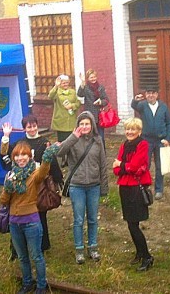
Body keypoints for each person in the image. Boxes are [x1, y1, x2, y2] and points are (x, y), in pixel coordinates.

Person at [0, 141, 60, 294]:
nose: (20, 158)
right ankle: (27, 283)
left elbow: (44, 170)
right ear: (14, 158)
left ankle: (41, 285)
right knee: (22, 257)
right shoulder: (11, 175)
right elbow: (4, 201)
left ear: (29, 156)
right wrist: (8, 188)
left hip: (31, 222)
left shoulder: (34, 175)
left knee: (36, 256)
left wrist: (47, 157)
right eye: (17, 155)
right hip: (14, 223)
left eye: (24, 155)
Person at [0, 115, 63, 254]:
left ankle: (42, 246)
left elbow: (51, 162)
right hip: (21, 186)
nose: (32, 129)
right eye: (29, 127)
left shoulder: (45, 142)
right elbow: (5, 155)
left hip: (39, 185)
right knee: (19, 218)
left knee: (40, 216)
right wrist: (6, 136)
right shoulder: (20, 143)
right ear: (24, 128)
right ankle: (17, 248)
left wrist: (58, 179)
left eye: (34, 126)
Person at [57, 111, 108, 264]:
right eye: (82, 124)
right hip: (77, 186)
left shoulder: (98, 141)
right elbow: (60, 152)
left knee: (92, 219)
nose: (84, 126)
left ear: (92, 125)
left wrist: (104, 187)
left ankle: (93, 247)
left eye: (87, 124)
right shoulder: (73, 140)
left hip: (94, 186)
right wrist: (73, 137)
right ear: (78, 125)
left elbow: (103, 165)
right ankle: (79, 249)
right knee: (79, 220)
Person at [112, 117, 154, 271]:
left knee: (133, 224)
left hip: (137, 187)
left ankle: (147, 257)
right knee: (130, 223)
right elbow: (116, 169)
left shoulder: (143, 144)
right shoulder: (124, 145)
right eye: (127, 129)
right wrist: (125, 166)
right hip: (124, 187)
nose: (129, 132)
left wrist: (122, 165)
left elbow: (135, 166)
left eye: (133, 129)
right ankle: (140, 252)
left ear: (139, 131)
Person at [130, 87, 170, 200]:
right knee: (145, 165)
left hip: (160, 141)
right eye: (148, 93)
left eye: (153, 93)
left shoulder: (163, 106)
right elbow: (134, 106)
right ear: (146, 95)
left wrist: (168, 138)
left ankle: (159, 190)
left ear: (157, 95)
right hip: (146, 140)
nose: (151, 95)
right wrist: (135, 100)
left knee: (160, 166)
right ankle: (144, 187)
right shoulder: (142, 105)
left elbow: (169, 123)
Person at [77, 69, 109, 144]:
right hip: (89, 114)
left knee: (100, 136)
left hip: (99, 115)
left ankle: (101, 150)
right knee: (90, 136)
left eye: (94, 77)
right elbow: (80, 94)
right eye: (91, 77)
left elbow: (106, 100)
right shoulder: (86, 87)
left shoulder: (100, 87)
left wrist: (100, 102)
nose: (93, 79)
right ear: (88, 78)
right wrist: (82, 82)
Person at [48, 75, 81, 142]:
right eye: (63, 83)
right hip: (61, 121)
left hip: (71, 121)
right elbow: (50, 96)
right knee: (62, 142)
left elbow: (78, 103)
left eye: (67, 82)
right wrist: (56, 86)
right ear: (60, 84)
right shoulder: (56, 92)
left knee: (73, 141)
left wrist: (71, 106)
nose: (65, 84)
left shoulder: (72, 92)